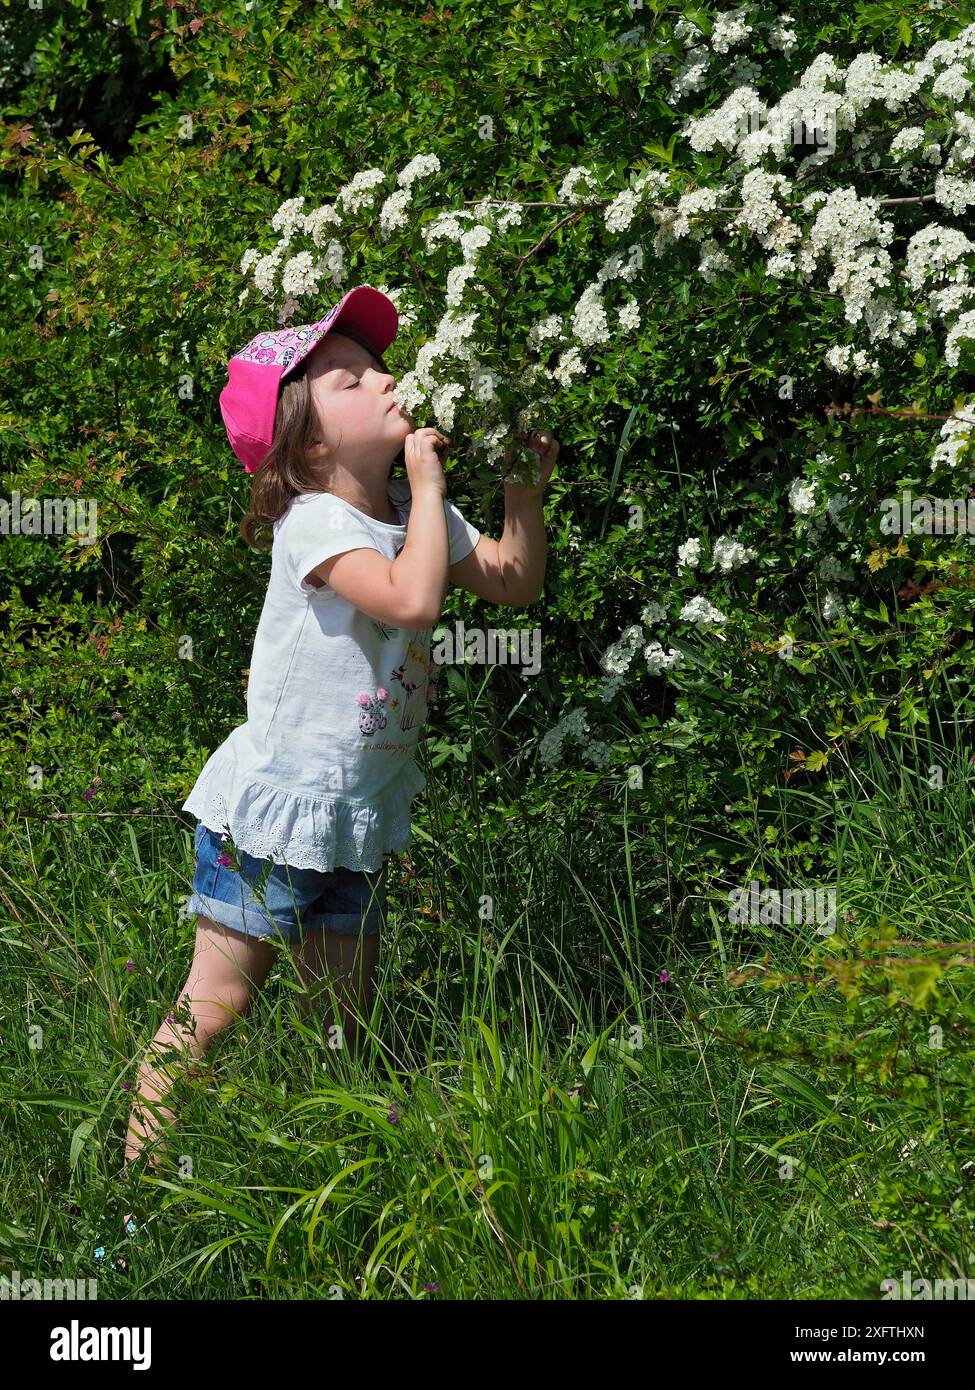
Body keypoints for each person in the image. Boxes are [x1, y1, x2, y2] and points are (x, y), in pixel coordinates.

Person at [122, 284, 559, 1205]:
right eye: (353, 379)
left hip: (352, 816)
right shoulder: (318, 521)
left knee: (342, 1025)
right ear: (311, 444)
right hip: (277, 813)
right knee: (215, 1008)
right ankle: (131, 1192)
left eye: (378, 366)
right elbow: (413, 601)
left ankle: (334, 1179)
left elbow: (514, 583)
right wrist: (433, 491)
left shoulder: (408, 507)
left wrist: (525, 483)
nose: (387, 380)